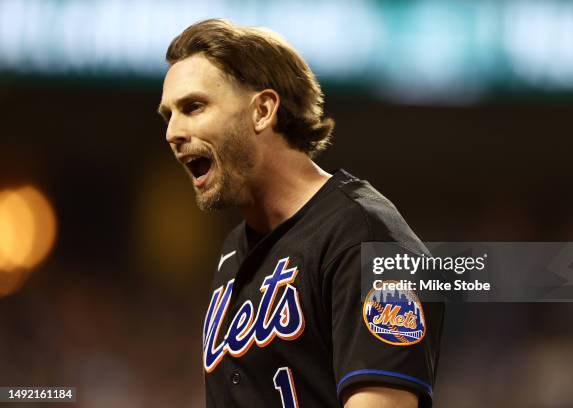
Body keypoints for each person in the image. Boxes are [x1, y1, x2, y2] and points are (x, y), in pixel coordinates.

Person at [157, 18, 444, 408]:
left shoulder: (366, 238)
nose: (172, 132)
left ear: (262, 110)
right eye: (168, 115)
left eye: (193, 107)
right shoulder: (233, 251)